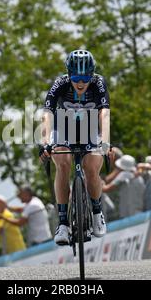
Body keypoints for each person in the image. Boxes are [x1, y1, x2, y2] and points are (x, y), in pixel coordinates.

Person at [38, 49, 114, 246]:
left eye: (85, 77)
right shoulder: (60, 83)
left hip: (90, 128)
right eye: (76, 77)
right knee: (62, 164)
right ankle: (62, 223)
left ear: (92, 75)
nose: (81, 83)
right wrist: (45, 142)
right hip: (63, 127)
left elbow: (104, 114)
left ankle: (97, 212)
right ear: (69, 74)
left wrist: (105, 141)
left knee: (91, 168)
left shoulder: (98, 83)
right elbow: (47, 113)